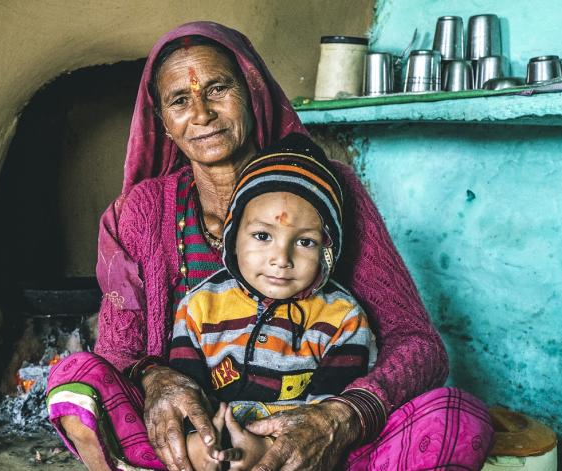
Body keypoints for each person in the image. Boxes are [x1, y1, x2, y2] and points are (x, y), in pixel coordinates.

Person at [46, 21, 492, 471]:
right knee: (75, 380)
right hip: (197, 439)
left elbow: (417, 343)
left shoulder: (331, 192)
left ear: (252, 93)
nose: (201, 114)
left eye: (218, 89)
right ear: (163, 121)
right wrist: (158, 377)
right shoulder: (140, 213)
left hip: (308, 436)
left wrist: (338, 418)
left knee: (457, 418)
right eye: (180, 100)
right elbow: (119, 354)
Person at [170, 135, 376, 471]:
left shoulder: (343, 319)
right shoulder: (198, 308)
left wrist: (265, 448)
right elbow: (185, 390)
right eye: (263, 236)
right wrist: (200, 442)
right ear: (232, 236)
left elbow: (329, 415)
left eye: (305, 242)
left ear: (328, 252)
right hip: (212, 440)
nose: (281, 259)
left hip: (294, 452)